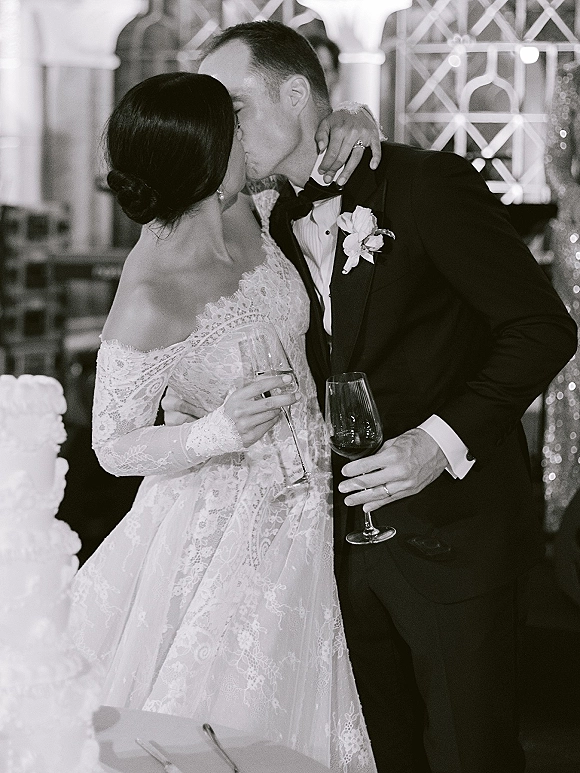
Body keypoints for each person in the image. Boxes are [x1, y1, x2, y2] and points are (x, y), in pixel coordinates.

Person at [163, 20, 577, 773]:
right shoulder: (261, 221)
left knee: (472, 754)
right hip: (332, 551)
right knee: (376, 756)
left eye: (234, 108)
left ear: (296, 93)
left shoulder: (424, 185)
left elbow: (541, 328)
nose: (223, 131)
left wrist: (438, 442)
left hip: (455, 537)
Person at [70, 70, 383, 772]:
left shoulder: (248, 206)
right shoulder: (152, 293)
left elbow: (314, 166)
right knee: (236, 726)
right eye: (234, 127)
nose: (248, 136)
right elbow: (111, 444)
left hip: (321, 494)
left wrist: (354, 118)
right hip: (231, 523)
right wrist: (217, 429)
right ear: (210, 160)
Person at [543, 61, 580, 535]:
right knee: (573, 363)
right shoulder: (574, 79)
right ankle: (567, 502)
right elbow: (555, 156)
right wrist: (571, 194)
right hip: (579, 233)